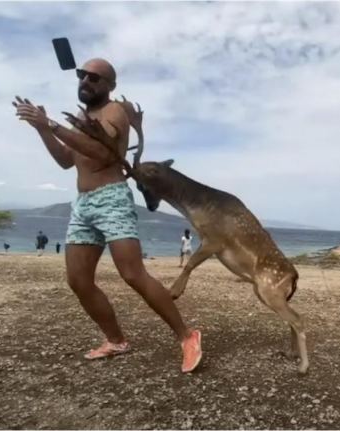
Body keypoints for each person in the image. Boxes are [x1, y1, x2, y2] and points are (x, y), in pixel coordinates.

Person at [13, 58, 202, 373]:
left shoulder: (114, 112)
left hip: (112, 199)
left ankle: (187, 336)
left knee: (132, 274)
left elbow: (102, 154)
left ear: (110, 86)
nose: (86, 80)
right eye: (82, 75)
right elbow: (65, 160)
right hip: (84, 203)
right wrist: (41, 129)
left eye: (95, 77)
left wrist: (52, 125)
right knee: (78, 279)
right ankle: (116, 340)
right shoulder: (81, 121)